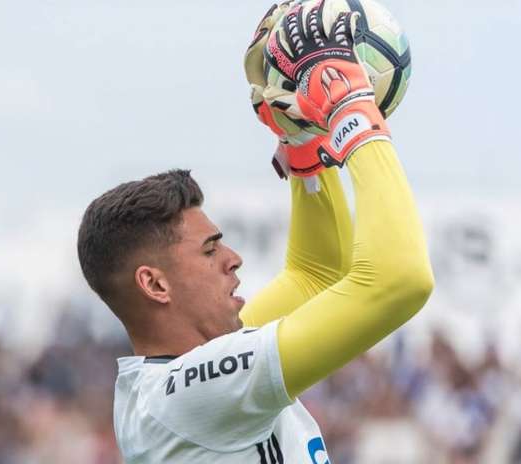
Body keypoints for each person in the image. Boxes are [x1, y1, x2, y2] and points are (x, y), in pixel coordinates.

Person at [76, 3, 433, 462]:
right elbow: (400, 280)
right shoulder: (192, 393)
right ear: (154, 283)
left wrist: (302, 144)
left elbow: (316, 276)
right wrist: (349, 106)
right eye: (209, 250)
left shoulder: (192, 368)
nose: (234, 258)